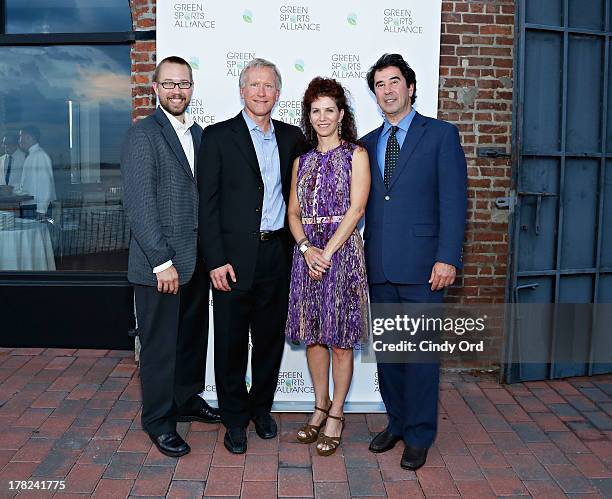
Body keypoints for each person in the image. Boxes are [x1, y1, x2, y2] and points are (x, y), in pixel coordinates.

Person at [361, 54, 467, 470]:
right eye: (380, 85)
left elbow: (454, 201)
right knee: (389, 354)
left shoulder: (440, 135)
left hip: (425, 267)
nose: (387, 90)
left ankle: (421, 435)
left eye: (394, 82)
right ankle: (398, 423)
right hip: (379, 266)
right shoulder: (368, 143)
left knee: (420, 355)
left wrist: (447, 257)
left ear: (410, 86)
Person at [198, 58, 305, 454]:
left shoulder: (293, 138)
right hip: (231, 260)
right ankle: (234, 419)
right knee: (228, 342)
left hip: (277, 255)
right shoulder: (218, 136)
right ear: (242, 91)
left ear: (278, 94)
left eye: (269, 86)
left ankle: (262, 409)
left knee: (268, 340)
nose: (261, 93)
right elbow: (205, 205)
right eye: (254, 85)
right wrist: (214, 259)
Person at [121, 56, 220, 458]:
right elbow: (140, 204)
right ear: (155, 88)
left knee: (191, 340)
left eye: (184, 84)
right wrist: (162, 262)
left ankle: (186, 399)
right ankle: (159, 420)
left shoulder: (200, 135)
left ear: (192, 88)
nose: (177, 91)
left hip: (194, 260)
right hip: (160, 266)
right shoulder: (143, 134)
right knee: (160, 346)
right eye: (169, 84)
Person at [285, 77, 370, 456]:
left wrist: (327, 252)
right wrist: (306, 249)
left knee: (340, 340)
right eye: (315, 110)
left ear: (340, 115)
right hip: (307, 257)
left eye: (329, 110)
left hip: (342, 255)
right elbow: (292, 212)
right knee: (314, 337)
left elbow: (357, 209)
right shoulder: (300, 162)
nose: (322, 117)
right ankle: (319, 408)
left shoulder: (357, 155)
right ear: (309, 116)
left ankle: (337, 413)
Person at [18, 126, 56, 219]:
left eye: (20, 136)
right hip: (30, 205)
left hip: (36, 207)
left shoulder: (40, 155)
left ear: (28, 138)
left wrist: (42, 210)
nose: (19, 140)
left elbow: (45, 185)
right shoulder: (32, 155)